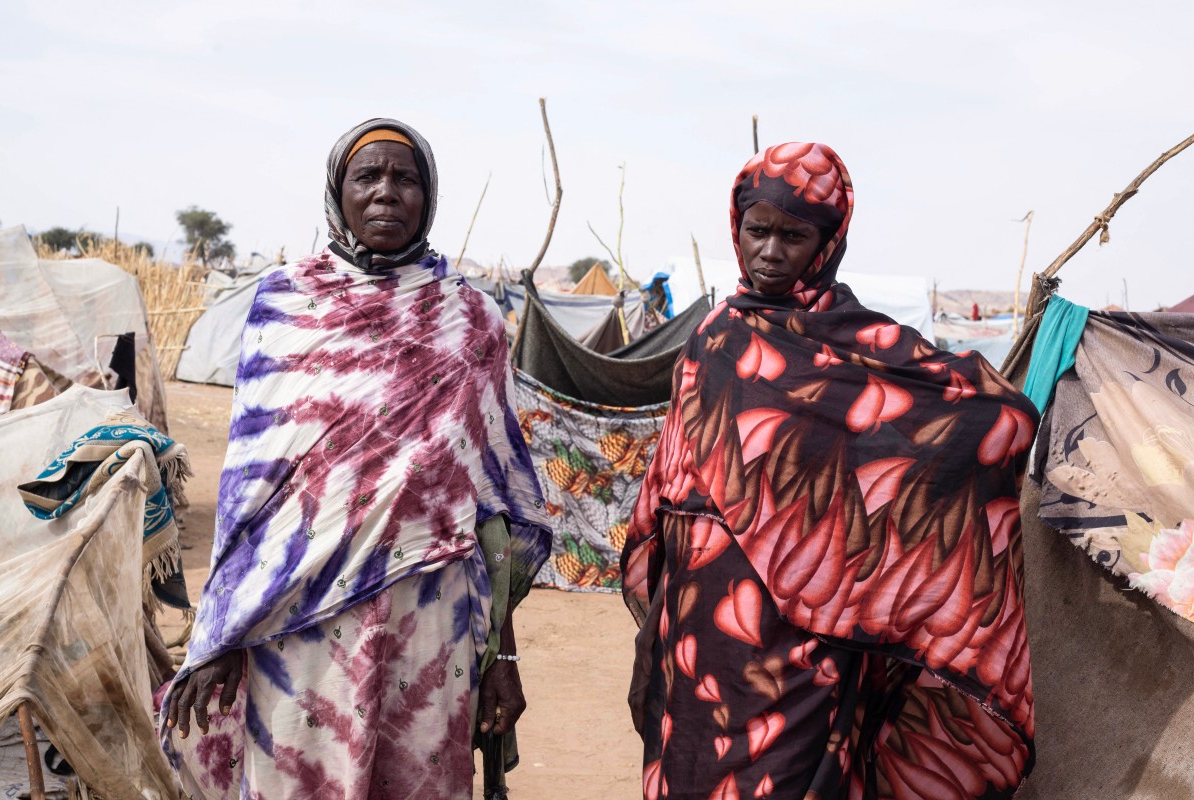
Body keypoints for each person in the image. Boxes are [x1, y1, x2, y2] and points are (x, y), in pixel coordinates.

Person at [622, 142, 1038, 799]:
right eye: (757, 231)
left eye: (795, 235)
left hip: (802, 638)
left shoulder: (860, 346)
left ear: (830, 239)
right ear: (736, 230)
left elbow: (992, 414)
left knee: (787, 778)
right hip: (698, 624)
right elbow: (670, 483)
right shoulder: (713, 337)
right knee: (692, 771)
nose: (770, 250)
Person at [161, 118, 552, 800]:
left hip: (431, 613)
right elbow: (250, 489)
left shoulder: (471, 317)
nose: (385, 193)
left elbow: (495, 508)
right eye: (367, 177)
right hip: (300, 619)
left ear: (428, 198)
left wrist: (502, 654)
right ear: (336, 192)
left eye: (405, 179)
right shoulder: (287, 304)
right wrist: (221, 630)